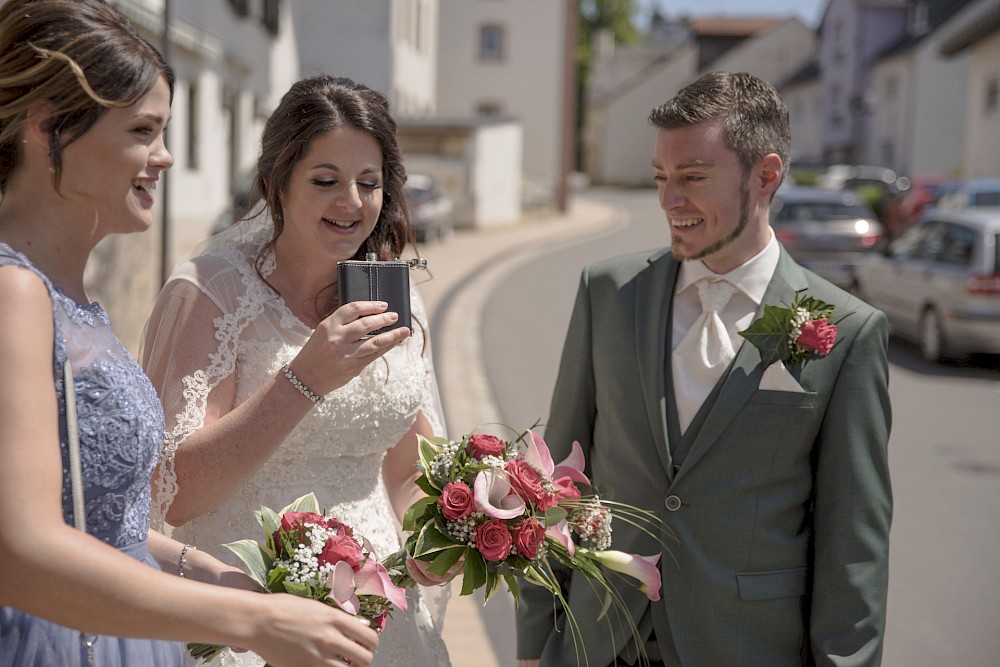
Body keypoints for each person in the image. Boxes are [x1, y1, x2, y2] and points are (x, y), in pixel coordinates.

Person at [0, 2, 378, 666]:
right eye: (144, 131)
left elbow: (113, 528)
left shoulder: (75, 299)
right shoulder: (13, 292)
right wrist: (251, 618)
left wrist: (234, 582)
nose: (166, 157)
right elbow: (21, 551)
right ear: (47, 127)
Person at [516, 71, 892, 667]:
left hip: (745, 645)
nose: (668, 201)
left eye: (692, 178)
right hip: (599, 639)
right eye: (661, 178)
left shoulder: (847, 331)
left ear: (765, 176)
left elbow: (853, 542)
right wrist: (536, 641)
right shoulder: (608, 291)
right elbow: (555, 472)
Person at [140, 74, 452, 667]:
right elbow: (173, 493)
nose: (352, 203)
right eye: (326, 181)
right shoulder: (212, 292)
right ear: (276, 185)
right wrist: (304, 380)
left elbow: (408, 467)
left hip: (378, 611)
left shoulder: (393, 294)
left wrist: (433, 538)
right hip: (252, 605)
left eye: (369, 183)